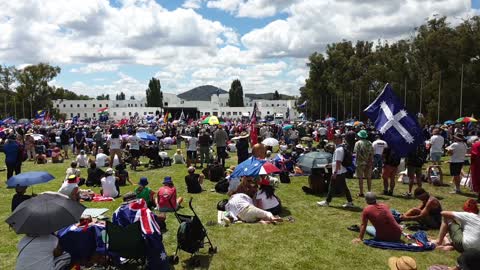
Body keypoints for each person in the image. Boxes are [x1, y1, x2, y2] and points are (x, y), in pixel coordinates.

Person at [112, 192, 168, 270]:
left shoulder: (116, 213)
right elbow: (152, 229)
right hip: (139, 245)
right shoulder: (142, 211)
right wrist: (162, 212)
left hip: (123, 246)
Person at [317, 134, 354, 208]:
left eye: (335, 138)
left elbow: (338, 162)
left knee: (331, 186)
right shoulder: (341, 148)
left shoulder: (338, 150)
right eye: (333, 139)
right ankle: (350, 202)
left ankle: (327, 202)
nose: (333, 140)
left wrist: (335, 173)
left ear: (339, 139)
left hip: (338, 172)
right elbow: (337, 161)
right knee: (343, 187)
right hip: (341, 171)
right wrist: (330, 165)